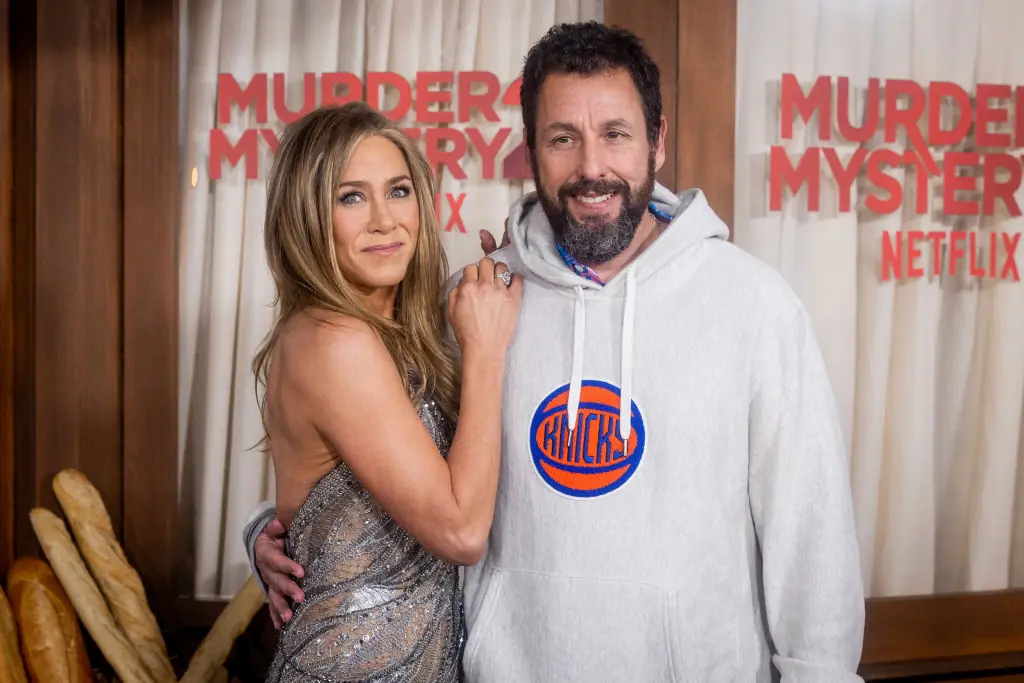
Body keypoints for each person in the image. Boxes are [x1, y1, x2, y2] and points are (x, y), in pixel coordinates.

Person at [247, 22, 866, 682]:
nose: (591, 167)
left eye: (616, 134)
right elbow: (366, 457)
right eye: (563, 138)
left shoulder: (753, 304)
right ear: (531, 151)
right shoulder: (476, 303)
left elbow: (811, 530)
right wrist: (274, 531)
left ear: (657, 141)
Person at [249, 101, 522, 682]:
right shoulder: (335, 340)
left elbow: (334, 509)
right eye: (351, 198)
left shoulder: (388, 334)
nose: (384, 220)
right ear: (306, 218)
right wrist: (486, 348)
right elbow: (461, 532)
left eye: (398, 191)